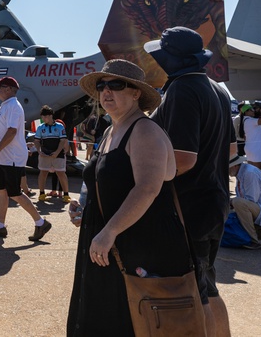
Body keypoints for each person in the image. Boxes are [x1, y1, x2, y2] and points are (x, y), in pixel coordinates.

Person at [66, 59, 190, 336]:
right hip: (111, 245)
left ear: (136, 93)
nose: (106, 92)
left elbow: (147, 188)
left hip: (139, 246)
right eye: (102, 85)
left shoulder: (144, 130)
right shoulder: (111, 130)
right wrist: (86, 210)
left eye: (116, 85)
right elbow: (106, 182)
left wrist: (108, 231)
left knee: (130, 322)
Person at [144, 26, 234, 337]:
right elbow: (232, 151)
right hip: (214, 199)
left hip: (189, 204)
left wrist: (146, 184)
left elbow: (183, 158)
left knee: (194, 293)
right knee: (207, 286)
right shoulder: (217, 88)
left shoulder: (182, 89)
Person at [0, 77, 51, 242]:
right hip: (6, 158)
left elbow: (12, 131)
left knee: (14, 193)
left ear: (8, 89)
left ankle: (40, 222)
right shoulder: (7, 106)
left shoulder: (13, 106)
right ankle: (0, 226)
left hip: (11, 157)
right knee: (1, 190)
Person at [228, 154, 261, 248]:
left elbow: (251, 200)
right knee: (236, 204)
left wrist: (231, 202)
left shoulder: (249, 173)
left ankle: (253, 240)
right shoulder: (243, 172)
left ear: (235, 165)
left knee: (237, 203)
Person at [34, 106, 69, 202]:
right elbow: (36, 140)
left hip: (58, 154)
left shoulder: (59, 126)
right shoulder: (40, 127)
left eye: (45, 117)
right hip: (45, 154)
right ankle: (42, 193)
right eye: (42, 117)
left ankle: (66, 194)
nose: (43, 119)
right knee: (43, 173)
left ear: (50, 116)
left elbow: (62, 140)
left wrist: (57, 152)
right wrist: (39, 151)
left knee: (61, 173)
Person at [240, 101, 261, 170]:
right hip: (255, 149)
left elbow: (259, 125)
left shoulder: (248, 120)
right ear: (246, 112)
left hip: (255, 149)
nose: (253, 111)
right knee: (256, 171)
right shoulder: (249, 120)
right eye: (251, 110)